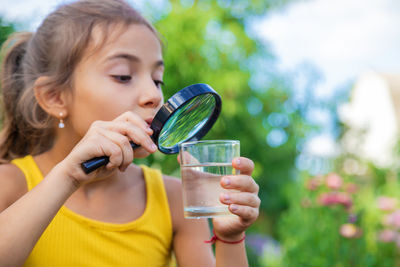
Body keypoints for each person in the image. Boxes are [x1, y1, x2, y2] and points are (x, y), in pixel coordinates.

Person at [0, 0, 260, 266]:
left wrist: (230, 237)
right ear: (54, 97)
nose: (153, 95)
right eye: (123, 76)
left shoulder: (172, 198)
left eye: (157, 79)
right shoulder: (9, 185)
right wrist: (67, 176)